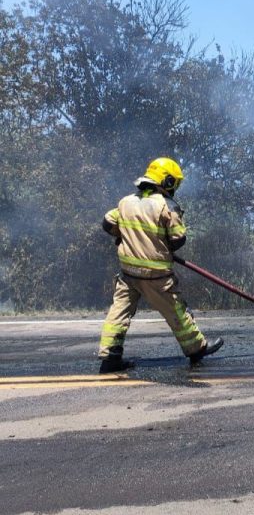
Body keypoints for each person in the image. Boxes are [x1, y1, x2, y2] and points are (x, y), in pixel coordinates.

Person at [96, 157, 224, 373]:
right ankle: (196, 349)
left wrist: (124, 236)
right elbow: (178, 239)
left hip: (128, 274)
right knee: (176, 311)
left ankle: (110, 357)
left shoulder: (126, 202)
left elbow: (108, 222)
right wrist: (159, 242)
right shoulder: (167, 206)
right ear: (168, 181)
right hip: (156, 275)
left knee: (118, 313)